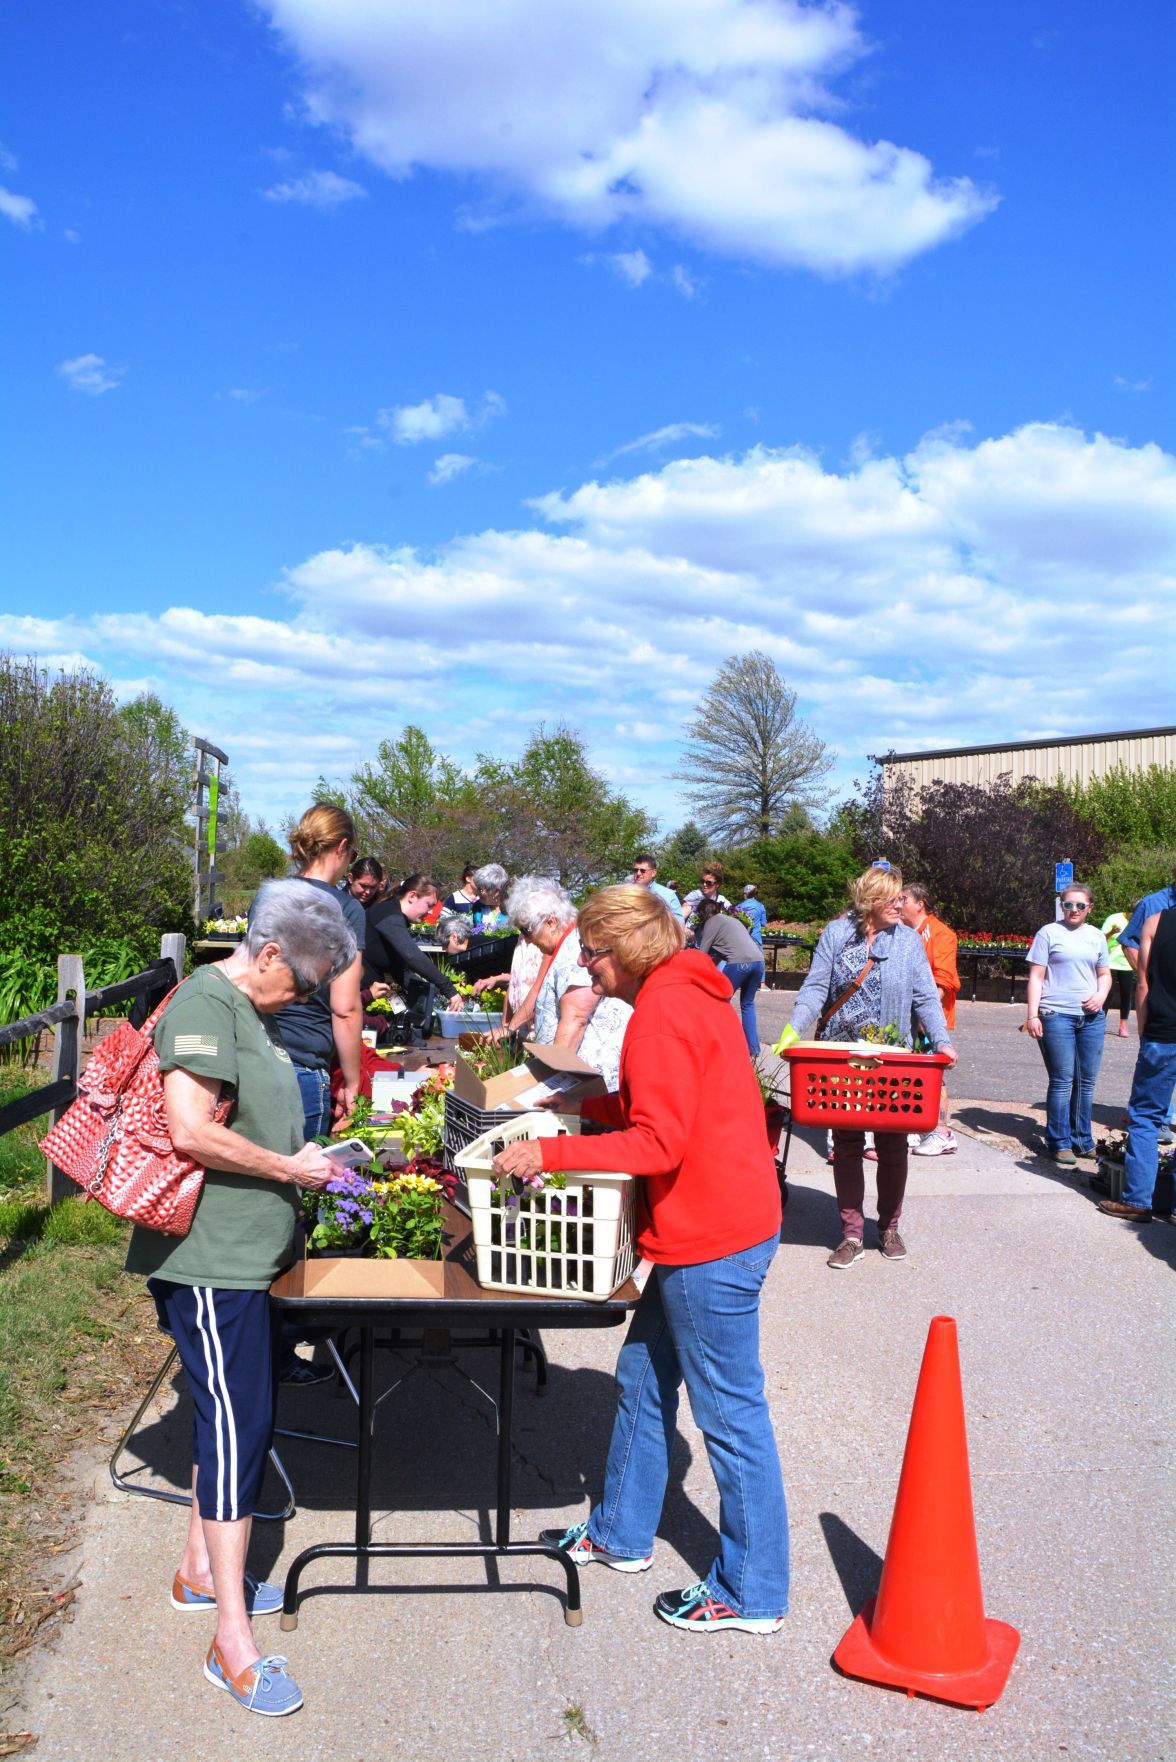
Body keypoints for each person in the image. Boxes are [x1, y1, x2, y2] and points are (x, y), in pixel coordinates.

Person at [492, 885, 788, 1634]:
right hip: (727, 1218)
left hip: (712, 1234)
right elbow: (666, 1108)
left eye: (591, 952)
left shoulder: (660, 1015)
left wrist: (550, 1149)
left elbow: (661, 1143)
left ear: (623, 950)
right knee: (643, 1376)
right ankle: (623, 1533)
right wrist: (578, 1109)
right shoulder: (692, 990)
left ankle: (753, 1591)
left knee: (730, 1414)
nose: (586, 968)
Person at [126, 879, 355, 1718]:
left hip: (246, 1260)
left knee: (229, 1417)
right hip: (212, 1263)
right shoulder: (204, 1004)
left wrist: (308, 1152)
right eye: (298, 982)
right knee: (237, 1430)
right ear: (265, 956)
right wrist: (290, 1168)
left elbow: (244, 1121)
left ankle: (198, 1574)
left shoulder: (244, 1009)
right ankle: (232, 1644)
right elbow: (189, 1130)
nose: (299, 998)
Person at [788, 864, 955, 1268]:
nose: (902, 904)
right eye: (894, 898)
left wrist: (944, 1042)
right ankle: (850, 1234)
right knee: (846, 1145)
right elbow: (815, 987)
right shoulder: (836, 934)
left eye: (902, 898)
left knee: (892, 1144)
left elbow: (925, 998)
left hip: (891, 1058)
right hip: (841, 1058)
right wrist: (793, 1029)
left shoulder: (909, 942)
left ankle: (889, 1227)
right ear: (872, 901)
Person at [262, 804, 365, 1141]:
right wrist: (352, 1082)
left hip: (254, 1055)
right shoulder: (346, 909)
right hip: (304, 1064)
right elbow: (344, 1007)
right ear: (341, 846)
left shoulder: (267, 897)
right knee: (302, 1183)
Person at [505, 876, 630, 1089]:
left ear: (551, 922)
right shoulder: (565, 947)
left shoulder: (574, 949)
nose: (528, 939)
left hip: (587, 1080)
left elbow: (576, 1019)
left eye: (527, 930)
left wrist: (553, 1084)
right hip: (576, 1077)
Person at [1024, 882, 1112, 1167]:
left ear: (1090, 908)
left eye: (1080, 905)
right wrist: (1033, 1014)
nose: (1073, 910)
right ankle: (1059, 1141)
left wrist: (1100, 996)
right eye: (1068, 905)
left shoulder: (1097, 936)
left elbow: (1104, 974)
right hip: (1056, 1014)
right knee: (1063, 1080)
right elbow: (1036, 976)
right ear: (1061, 906)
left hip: (1091, 1018)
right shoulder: (1049, 933)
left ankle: (1082, 1140)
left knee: (1086, 1082)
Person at [1098, 904, 1176, 1221]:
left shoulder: (1156, 922)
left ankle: (1138, 1201)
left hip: (1163, 1031)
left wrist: (1144, 1030)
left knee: (1145, 1117)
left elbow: (1142, 982)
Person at [898, 882, 961, 1155]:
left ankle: (942, 1132)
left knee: (933, 1076)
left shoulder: (940, 933)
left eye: (904, 899)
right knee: (912, 1073)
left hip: (929, 1020)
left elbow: (944, 979)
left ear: (919, 903)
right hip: (909, 1018)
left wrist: (927, 1015)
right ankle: (918, 1127)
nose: (898, 904)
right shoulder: (908, 932)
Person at [363, 874, 466, 1012]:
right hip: (354, 993)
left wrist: (434, 996)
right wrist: (449, 990)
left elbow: (401, 970)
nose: (430, 912)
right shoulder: (388, 914)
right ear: (412, 896)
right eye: (429, 905)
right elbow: (412, 955)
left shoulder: (393, 915)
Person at [694, 897, 766, 1055]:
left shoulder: (711, 922)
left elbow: (701, 954)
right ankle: (754, 1050)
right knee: (747, 1004)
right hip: (758, 962)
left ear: (702, 913)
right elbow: (720, 953)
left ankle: (719, 1046)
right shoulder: (730, 921)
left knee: (718, 1002)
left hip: (739, 963)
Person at [1099, 908, 1135, 1037]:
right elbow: (1101, 938)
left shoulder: (1140, 921)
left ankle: (1123, 1026)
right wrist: (1112, 932)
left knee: (1126, 994)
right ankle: (1101, 1022)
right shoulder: (1114, 918)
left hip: (1127, 963)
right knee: (1108, 993)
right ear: (1129, 911)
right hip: (1110, 962)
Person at [631, 852, 686, 920]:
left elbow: (679, 925)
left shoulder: (668, 896)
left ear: (653, 873)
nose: (638, 873)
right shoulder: (627, 893)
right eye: (636, 870)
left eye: (643, 871)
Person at [471, 862, 510, 930]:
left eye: (481, 889)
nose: (477, 893)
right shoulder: (478, 908)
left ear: (497, 891)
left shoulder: (513, 908)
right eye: (477, 888)